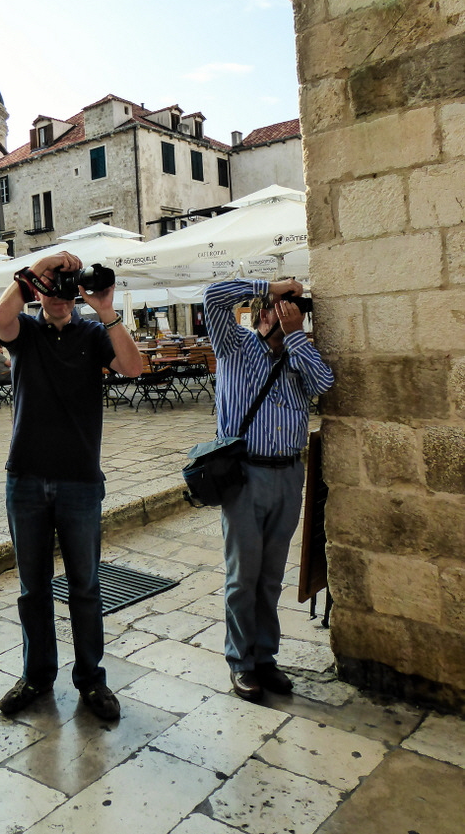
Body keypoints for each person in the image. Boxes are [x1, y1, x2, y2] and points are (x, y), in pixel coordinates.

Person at [0, 250, 142, 721]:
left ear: (77, 294)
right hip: (26, 477)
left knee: (86, 587)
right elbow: (0, 318)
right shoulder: (25, 332)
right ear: (38, 292)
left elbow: (133, 367)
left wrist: (106, 309)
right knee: (32, 589)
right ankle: (36, 676)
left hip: (80, 479)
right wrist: (38, 269)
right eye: (50, 290)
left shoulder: (94, 334)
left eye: (66, 290)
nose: (58, 297)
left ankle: (91, 679)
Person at [203, 277, 334, 702]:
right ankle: (241, 662)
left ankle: (265, 657)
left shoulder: (299, 352)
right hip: (244, 475)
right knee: (243, 577)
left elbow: (324, 384)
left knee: (272, 576)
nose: (291, 313)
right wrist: (271, 285)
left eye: (296, 308)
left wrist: (295, 336)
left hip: (289, 474)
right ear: (264, 312)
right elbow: (212, 297)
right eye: (282, 306)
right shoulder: (235, 346)